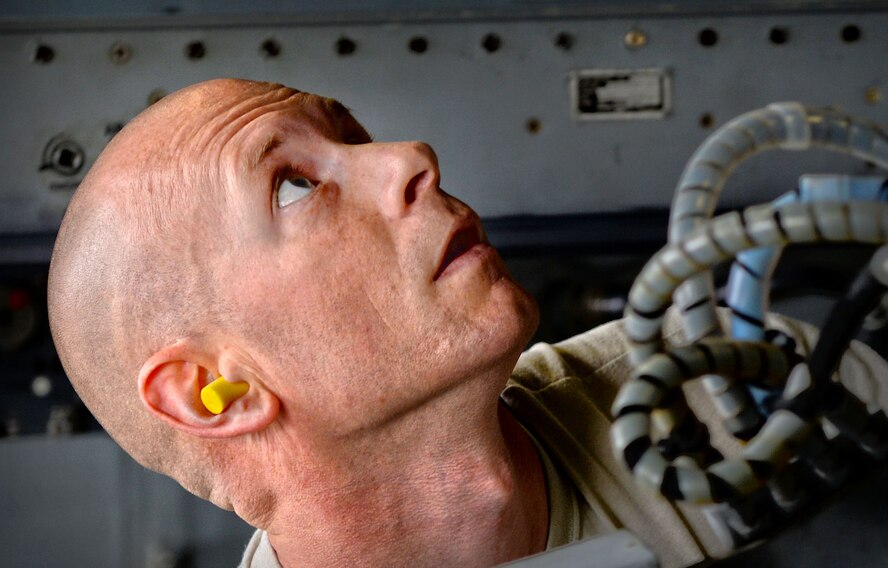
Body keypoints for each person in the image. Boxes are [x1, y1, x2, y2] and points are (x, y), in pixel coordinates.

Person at [47, 79, 888, 568]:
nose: (410, 157)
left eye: (354, 136)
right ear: (214, 393)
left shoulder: (732, 387)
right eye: (293, 185)